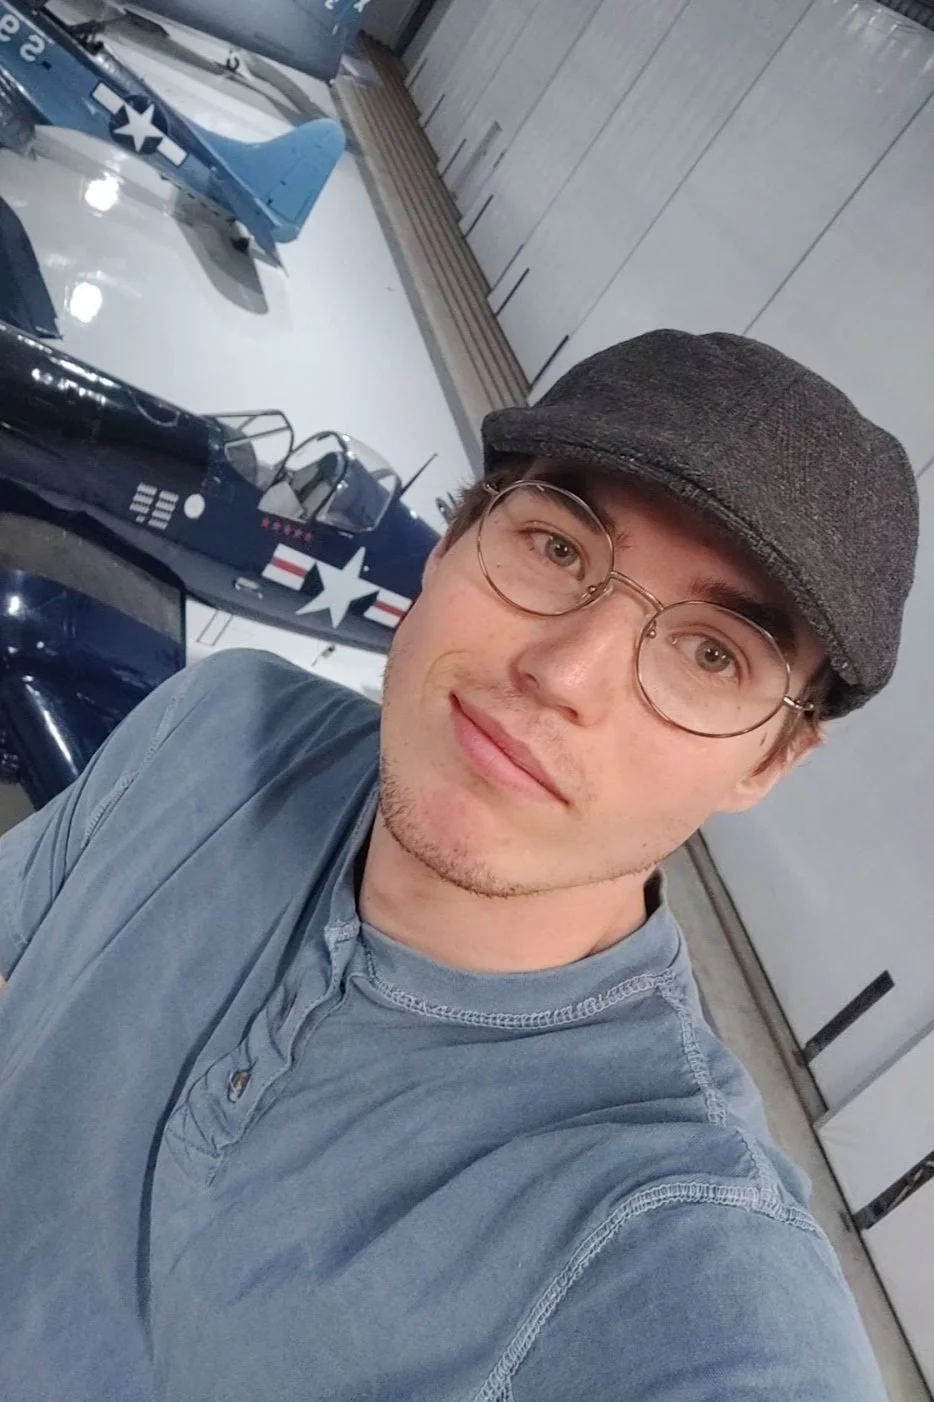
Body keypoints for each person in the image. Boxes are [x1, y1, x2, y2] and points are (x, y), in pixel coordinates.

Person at [0, 330, 918, 1401]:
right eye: (559, 548)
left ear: (769, 757)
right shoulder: (213, 720)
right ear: (451, 544)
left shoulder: (686, 1265)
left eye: (712, 654)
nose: (563, 670)